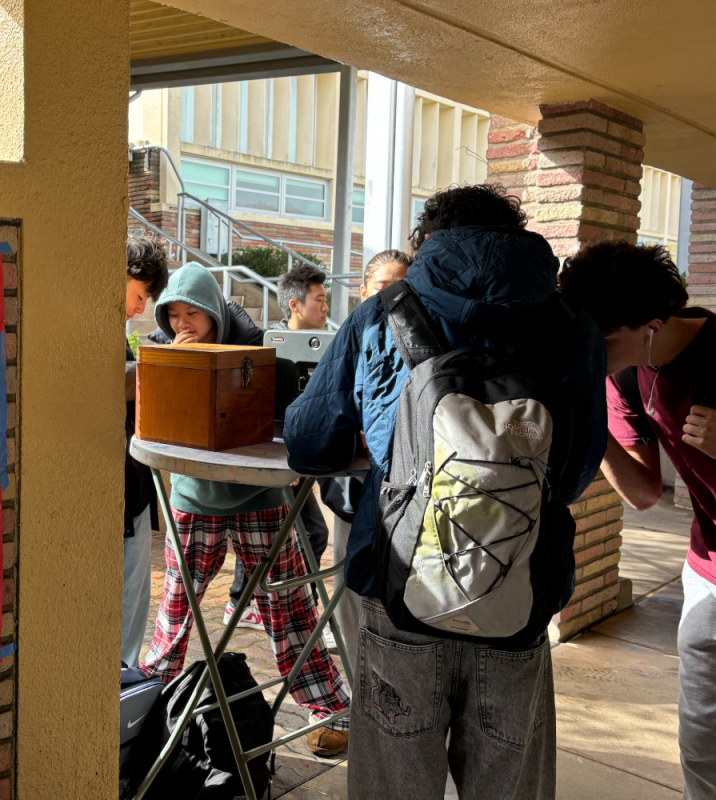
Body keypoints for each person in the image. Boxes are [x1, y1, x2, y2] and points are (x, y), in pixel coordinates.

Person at [285, 184, 607, 798]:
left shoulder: (381, 314)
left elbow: (310, 446)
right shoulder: (573, 328)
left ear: (427, 243)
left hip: (400, 588)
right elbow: (571, 477)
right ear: (515, 238)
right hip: (520, 590)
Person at [141, 262, 352, 757]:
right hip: (195, 496)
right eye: (172, 314)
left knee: (290, 608)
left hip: (260, 493)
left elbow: (285, 408)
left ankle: (329, 707)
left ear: (214, 309)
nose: (181, 324)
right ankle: (149, 705)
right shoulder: (162, 349)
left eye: (192, 313)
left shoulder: (257, 344)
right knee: (177, 605)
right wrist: (178, 367)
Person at [558, 241, 716, 800]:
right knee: (702, 740)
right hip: (708, 569)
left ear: (652, 326)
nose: (590, 352)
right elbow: (645, 493)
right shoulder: (625, 375)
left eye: (603, 342)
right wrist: (590, 420)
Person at [319, 248, 414, 673]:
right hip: (354, 483)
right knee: (348, 577)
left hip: (402, 485)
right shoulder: (350, 337)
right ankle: (357, 681)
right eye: (383, 287)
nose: (393, 297)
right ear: (362, 292)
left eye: (403, 288)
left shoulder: (419, 343)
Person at [224, 264, 332, 632]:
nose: (326, 308)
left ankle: (249, 602)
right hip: (274, 456)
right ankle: (257, 604)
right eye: (319, 300)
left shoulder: (328, 350)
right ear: (295, 305)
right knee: (303, 531)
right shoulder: (267, 349)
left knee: (285, 530)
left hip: (300, 456)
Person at [122, 231, 170, 668]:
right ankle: (122, 689)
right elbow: (111, 381)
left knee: (133, 599)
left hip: (131, 490)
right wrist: (166, 367)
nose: (141, 308)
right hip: (124, 491)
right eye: (140, 296)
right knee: (127, 602)